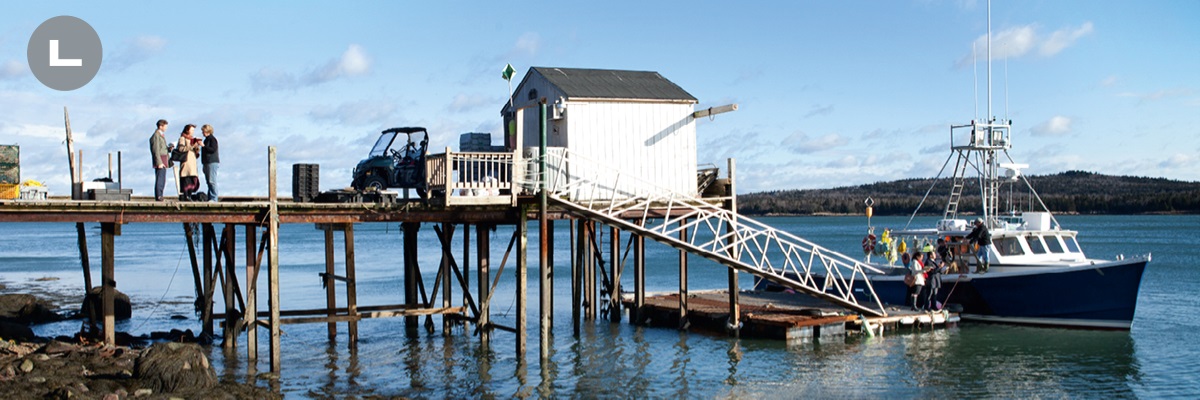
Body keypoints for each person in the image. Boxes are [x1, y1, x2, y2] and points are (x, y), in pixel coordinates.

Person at [176, 124, 203, 200]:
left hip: (193, 163)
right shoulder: (182, 138)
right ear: (187, 130)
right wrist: (191, 146)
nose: (193, 132)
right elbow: (181, 149)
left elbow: (195, 151)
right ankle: (186, 195)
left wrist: (196, 147)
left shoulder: (192, 139)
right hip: (186, 163)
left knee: (193, 180)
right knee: (186, 180)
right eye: (192, 130)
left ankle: (190, 195)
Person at [148, 119, 169, 201]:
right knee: (160, 179)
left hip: (164, 158)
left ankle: (160, 194)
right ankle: (159, 195)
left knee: (162, 179)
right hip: (160, 160)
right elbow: (155, 150)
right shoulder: (156, 136)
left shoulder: (161, 135)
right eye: (165, 126)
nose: (166, 128)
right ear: (161, 126)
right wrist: (159, 162)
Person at [200, 124, 219, 202]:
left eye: (203, 131)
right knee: (208, 181)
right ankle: (210, 197)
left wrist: (204, 146)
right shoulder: (206, 140)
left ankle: (214, 198)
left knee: (212, 180)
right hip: (206, 162)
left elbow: (213, 149)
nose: (202, 133)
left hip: (212, 162)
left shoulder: (212, 139)